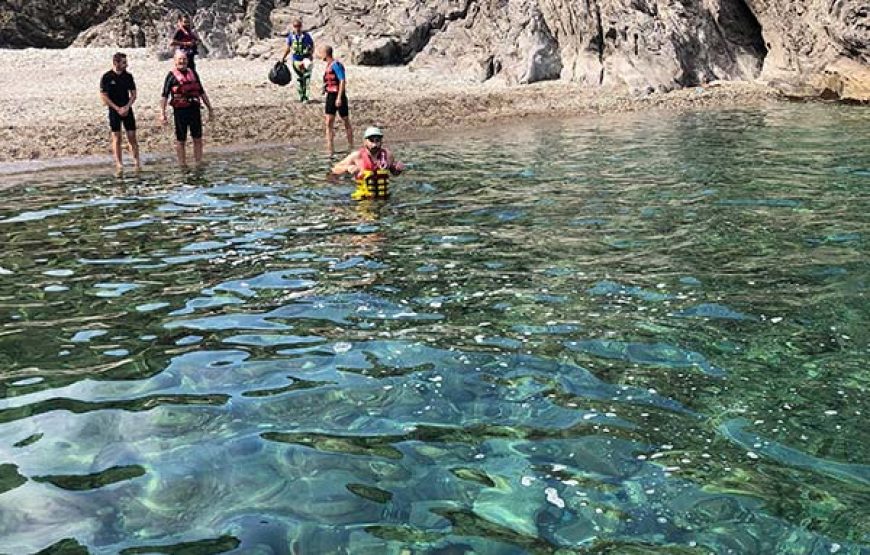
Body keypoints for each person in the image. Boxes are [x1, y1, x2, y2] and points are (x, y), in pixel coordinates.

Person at [159, 50, 214, 166]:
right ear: (175, 61)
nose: (182, 61)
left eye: (184, 59)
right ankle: (182, 164)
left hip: (194, 109)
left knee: (197, 137)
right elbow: (164, 95)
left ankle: (198, 162)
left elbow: (201, 91)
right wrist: (162, 113)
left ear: (187, 61)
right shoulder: (171, 76)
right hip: (180, 111)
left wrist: (210, 108)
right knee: (181, 139)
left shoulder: (193, 73)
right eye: (180, 59)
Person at [329, 126, 405, 200]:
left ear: (381, 141)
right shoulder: (357, 156)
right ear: (365, 141)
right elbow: (335, 169)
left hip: (384, 197)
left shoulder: (388, 155)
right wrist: (347, 168)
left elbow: (394, 173)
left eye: (377, 140)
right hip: (364, 199)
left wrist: (397, 169)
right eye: (371, 140)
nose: (374, 144)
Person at [99, 52, 140, 171]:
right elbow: (103, 95)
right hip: (114, 110)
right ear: (116, 63)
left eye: (126, 62)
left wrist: (127, 106)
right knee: (116, 137)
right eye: (123, 62)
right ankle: (119, 163)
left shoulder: (128, 76)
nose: (126, 65)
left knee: (132, 136)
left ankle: (136, 161)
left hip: (127, 108)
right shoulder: (107, 77)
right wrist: (117, 108)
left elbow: (133, 94)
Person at [317, 45, 353, 155]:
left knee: (345, 120)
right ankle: (330, 148)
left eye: (321, 53)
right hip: (330, 96)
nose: (319, 55)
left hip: (338, 95)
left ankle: (351, 146)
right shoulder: (328, 65)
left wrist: (339, 97)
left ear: (325, 54)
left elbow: (342, 80)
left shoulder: (336, 65)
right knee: (328, 122)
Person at [280, 18, 314, 102]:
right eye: (295, 26)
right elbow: (288, 48)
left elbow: (312, 46)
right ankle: (301, 96)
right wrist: (283, 58)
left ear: (301, 26)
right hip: (296, 61)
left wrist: (310, 55)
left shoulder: (306, 36)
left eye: (298, 26)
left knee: (306, 79)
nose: (297, 28)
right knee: (299, 79)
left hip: (305, 60)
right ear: (293, 27)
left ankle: (306, 97)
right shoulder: (291, 37)